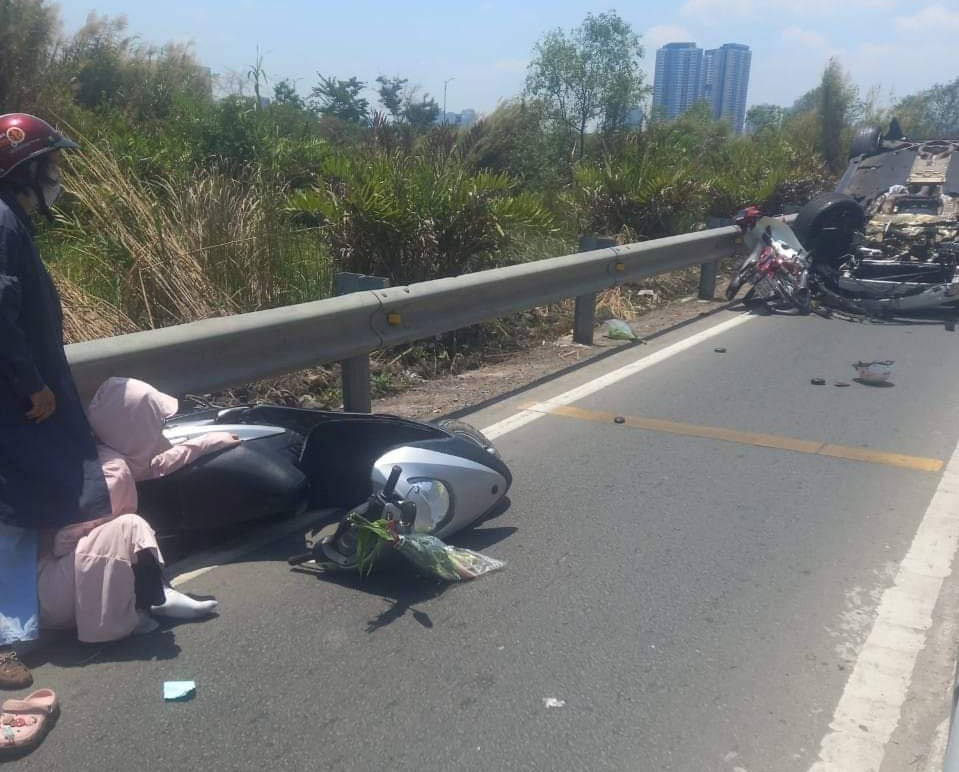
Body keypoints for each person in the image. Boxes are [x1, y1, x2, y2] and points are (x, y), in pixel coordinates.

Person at [0, 114, 111, 688]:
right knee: (12, 517)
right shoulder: (1, 220)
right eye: (51, 163)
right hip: (12, 397)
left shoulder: (10, 218)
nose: (56, 174)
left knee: (21, 509)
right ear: (26, 167)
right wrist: (32, 384)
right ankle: (6, 639)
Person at [36, 377, 239, 642]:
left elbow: (152, 466)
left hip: (50, 585)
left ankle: (149, 597)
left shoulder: (102, 451)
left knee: (124, 530)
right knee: (130, 526)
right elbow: (62, 541)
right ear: (133, 426)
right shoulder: (113, 472)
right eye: (153, 422)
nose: (157, 429)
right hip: (52, 592)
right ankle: (150, 600)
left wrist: (205, 443)